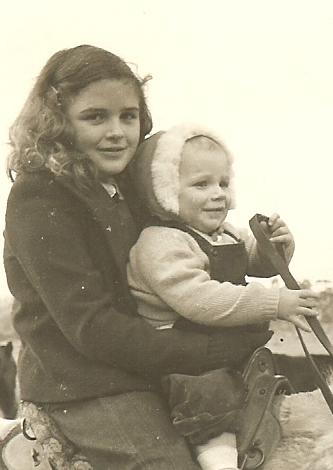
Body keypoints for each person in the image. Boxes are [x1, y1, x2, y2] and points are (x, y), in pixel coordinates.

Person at [3, 45, 273, 470]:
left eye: (128, 116)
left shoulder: (129, 188)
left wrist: (259, 256)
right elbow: (93, 329)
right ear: (58, 123)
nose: (117, 132)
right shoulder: (40, 198)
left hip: (144, 366)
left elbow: (188, 248)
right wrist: (210, 351)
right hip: (84, 382)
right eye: (96, 117)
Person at [127, 122, 319, 470]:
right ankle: (220, 464)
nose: (218, 194)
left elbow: (255, 263)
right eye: (201, 184)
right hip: (187, 360)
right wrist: (275, 302)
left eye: (223, 183)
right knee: (212, 405)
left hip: (223, 351)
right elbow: (200, 300)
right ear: (165, 192)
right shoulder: (160, 241)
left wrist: (275, 247)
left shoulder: (222, 233)